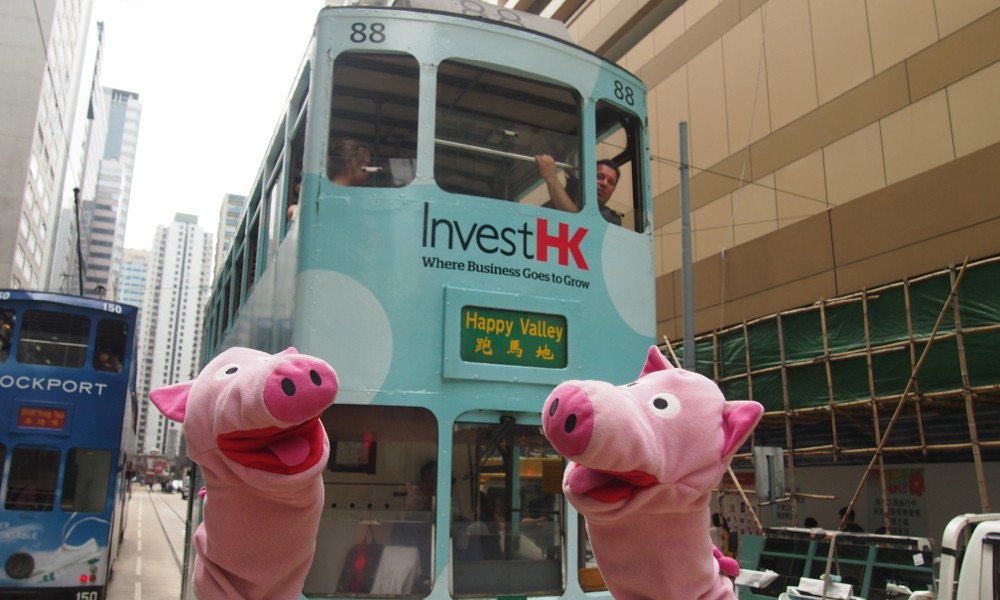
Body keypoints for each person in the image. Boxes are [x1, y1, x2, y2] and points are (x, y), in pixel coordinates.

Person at [535, 154, 623, 225]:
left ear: (614, 190)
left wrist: (550, 176)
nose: (604, 183)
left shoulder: (611, 219)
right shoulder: (550, 207)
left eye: (610, 182)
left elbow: (577, 221)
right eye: (599, 177)